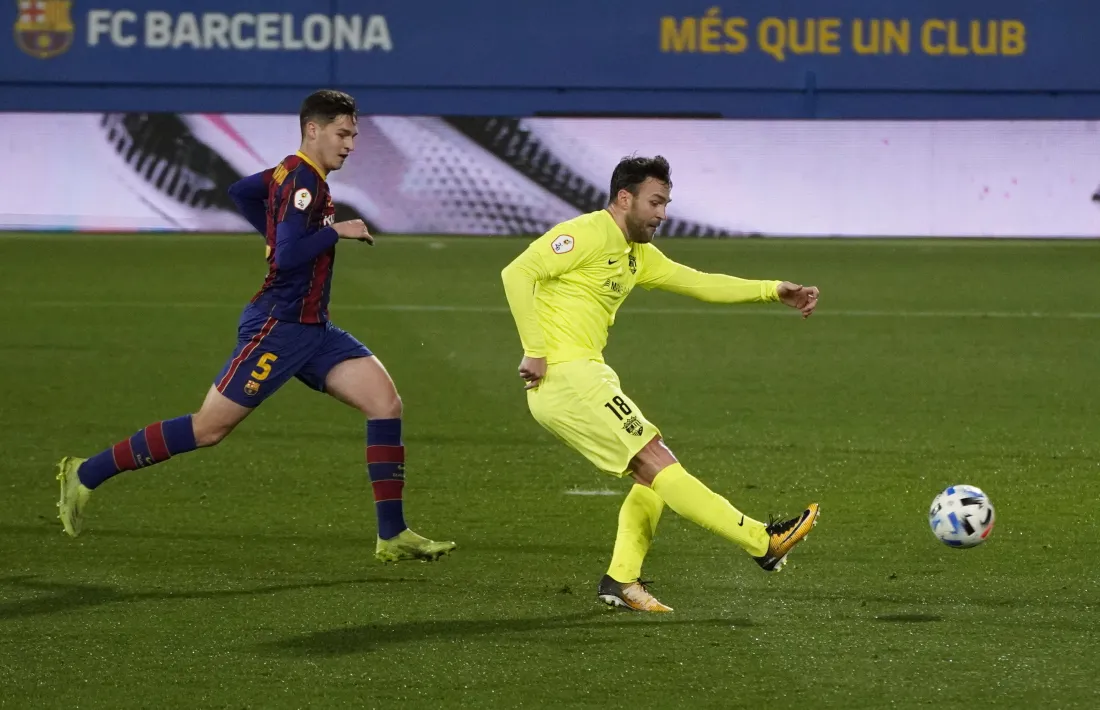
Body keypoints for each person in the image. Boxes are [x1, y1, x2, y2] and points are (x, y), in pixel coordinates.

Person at [55, 89, 456, 564]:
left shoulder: (290, 171)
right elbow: (286, 256)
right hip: (278, 328)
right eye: (342, 134)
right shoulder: (303, 182)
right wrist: (335, 230)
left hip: (314, 329)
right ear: (313, 129)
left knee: (385, 404)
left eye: (353, 135)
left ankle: (392, 534)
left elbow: (241, 192)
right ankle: (86, 473)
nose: (350, 144)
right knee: (208, 429)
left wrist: (277, 232)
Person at [500, 155, 820, 612]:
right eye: (654, 202)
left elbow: (699, 283)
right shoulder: (587, 233)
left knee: (654, 473)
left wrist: (772, 290)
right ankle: (761, 542)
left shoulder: (638, 255)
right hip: (567, 375)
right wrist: (535, 349)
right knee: (655, 462)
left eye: (666, 203)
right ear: (624, 198)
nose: (662, 214)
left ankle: (621, 579)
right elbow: (516, 272)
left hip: (584, 374)